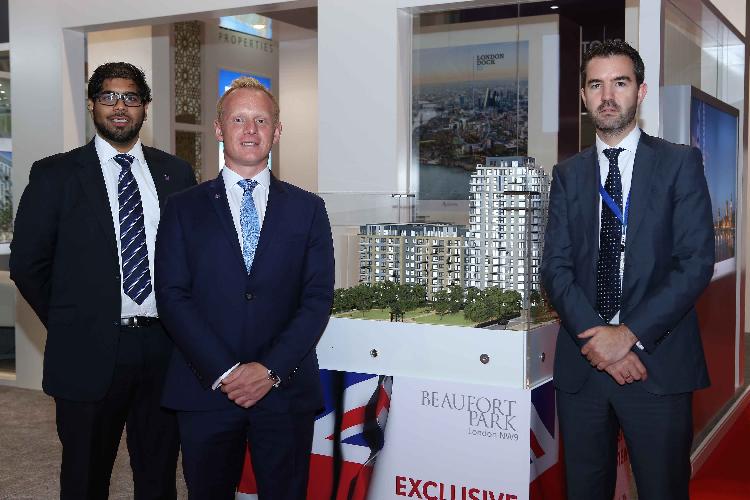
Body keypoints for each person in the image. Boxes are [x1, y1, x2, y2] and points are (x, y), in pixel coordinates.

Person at [10, 62, 196, 499]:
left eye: (130, 97)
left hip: (164, 347)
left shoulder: (176, 173)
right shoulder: (55, 174)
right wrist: (73, 320)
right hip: (88, 350)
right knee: (85, 476)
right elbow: (28, 264)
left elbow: (192, 257)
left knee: (159, 476)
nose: (120, 107)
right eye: (109, 97)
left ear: (145, 107)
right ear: (92, 104)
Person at [540, 40, 714, 499]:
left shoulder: (679, 163)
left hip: (658, 365)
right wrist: (600, 340)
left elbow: (695, 262)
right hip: (584, 369)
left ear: (641, 91)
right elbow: (555, 267)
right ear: (583, 96)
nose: (607, 96)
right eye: (596, 85)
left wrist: (628, 335)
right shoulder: (567, 174)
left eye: (620, 83)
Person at [155, 77, 335, 499]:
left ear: (277, 131)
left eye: (261, 120)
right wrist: (226, 372)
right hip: (205, 388)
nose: (250, 130)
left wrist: (269, 370)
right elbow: (172, 296)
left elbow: (316, 298)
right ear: (219, 129)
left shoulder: (308, 209)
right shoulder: (182, 208)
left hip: (284, 389)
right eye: (238, 119)